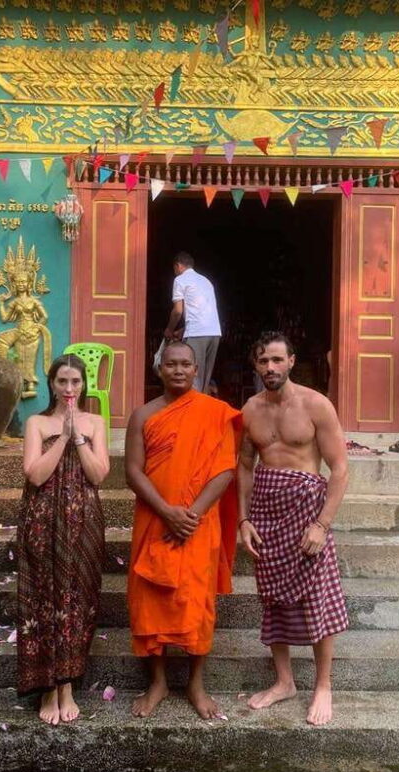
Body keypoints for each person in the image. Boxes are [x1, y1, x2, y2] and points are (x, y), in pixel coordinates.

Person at [237, 331, 348, 726]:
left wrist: (322, 524)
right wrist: (244, 519)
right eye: (263, 360)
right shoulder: (250, 409)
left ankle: (323, 685)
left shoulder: (316, 405)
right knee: (272, 598)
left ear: (292, 361)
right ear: (256, 364)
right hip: (266, 510)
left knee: (317, 597)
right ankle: (284, 681)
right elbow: (246, 465)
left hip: (307, 511)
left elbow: (340, 469)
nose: (271, 367)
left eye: (277, 360)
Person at [125, 341, 241, 719]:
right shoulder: (142, 415)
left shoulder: (214, 413)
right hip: (155, 518)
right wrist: (166, 512)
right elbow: (133, 472)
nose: (178, 370)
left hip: (198, 522)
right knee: (148, 597)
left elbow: (224, 469)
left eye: (185, 365)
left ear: (196, 370)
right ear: (159, 368)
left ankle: (195, 682)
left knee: (197, 600)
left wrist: (190, 514)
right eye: (170, 364)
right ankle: (157, 682)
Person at [17, 354, 110, 725]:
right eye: (62, 382)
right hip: (42, 519)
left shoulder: (96, 422)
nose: (69, 389)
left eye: (75, 382)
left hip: (82, 521)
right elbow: (35, 475)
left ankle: (68, 685)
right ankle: (47, 688)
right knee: (43, 598)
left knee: (76, 598)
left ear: (83, 385)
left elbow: (99, 475)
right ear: (51, 384)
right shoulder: (36, 423)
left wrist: (81, 437)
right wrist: (63, 438)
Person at [163, 252, 221, 394]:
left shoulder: (181, 280)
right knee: (204, 381)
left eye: (174, 269)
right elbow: (202, 313)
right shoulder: (206, 281)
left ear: (178, 266)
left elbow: (177, 311)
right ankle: (203, 413)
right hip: (214, 333)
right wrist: (182, 330)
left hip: (197, 334)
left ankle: (191, 414)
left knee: (192, 378)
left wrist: (169, 330)